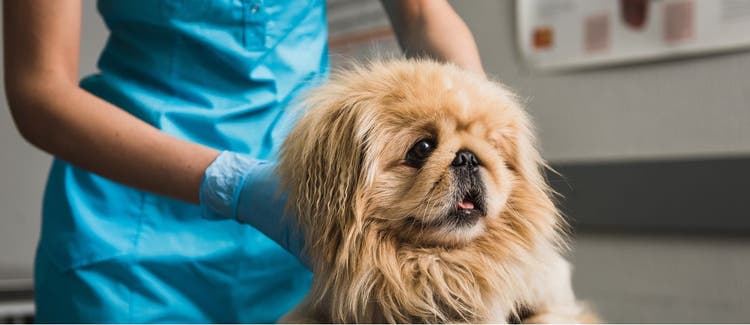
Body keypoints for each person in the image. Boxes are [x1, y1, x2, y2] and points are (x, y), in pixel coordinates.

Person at [4, 0, 484, 322]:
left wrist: (484, 129)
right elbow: (40, 91)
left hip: (304, 233)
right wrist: (235, 184)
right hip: (130, 237)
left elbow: (424, 15)